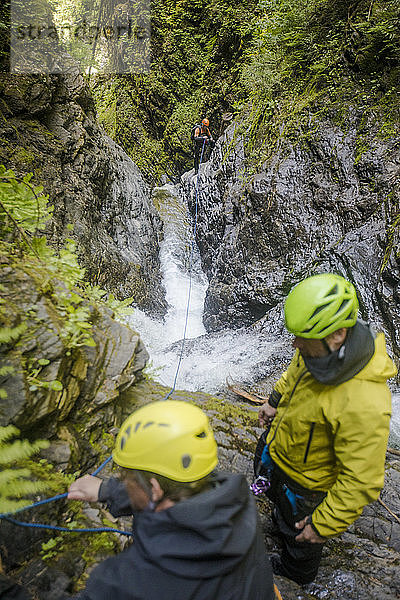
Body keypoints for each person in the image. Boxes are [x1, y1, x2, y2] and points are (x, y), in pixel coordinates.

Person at [255, 273, 397, 585]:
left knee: (299, 541)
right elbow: (295, 371)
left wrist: (321, 525)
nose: (295, 343)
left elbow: (360, 480)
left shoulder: (364, 403)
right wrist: (274, 401)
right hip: (282, 447)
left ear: (337, 335)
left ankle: (296, 575)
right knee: (273, 495)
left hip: (306, 487)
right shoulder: (317, 346)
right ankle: (268, 494)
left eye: (301, 337)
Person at [68, 400, 275, 600]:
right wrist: (108, 490)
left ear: (153, 489)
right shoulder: (237, 499)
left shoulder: (130, 583)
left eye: (126, 477)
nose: (122, 479)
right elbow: (167, 492)